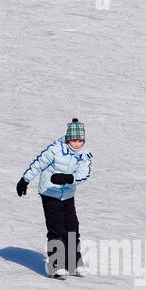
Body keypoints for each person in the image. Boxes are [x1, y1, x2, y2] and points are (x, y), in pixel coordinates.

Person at [17, 118, 93, 279]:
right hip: (50, 193)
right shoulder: (55, 149)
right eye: (74, 140)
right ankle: (55, 264)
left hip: (67, 195)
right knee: (57, 228)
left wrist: (69, 179)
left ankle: (73, 261)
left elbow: (84, 174)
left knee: (72, 227)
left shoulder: (85, 155)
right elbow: (38, 163)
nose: (77, 144)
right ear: (67, 139)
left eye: (80, 140)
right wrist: (25, 179)